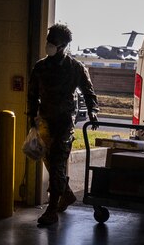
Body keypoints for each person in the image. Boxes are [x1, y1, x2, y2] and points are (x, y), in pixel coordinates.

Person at [24, 23, 97, 228]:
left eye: (53, 41)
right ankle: (66, 194)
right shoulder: (40, 67)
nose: (49, 44)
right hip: (44, 121)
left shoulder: (75, 68)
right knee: (45, 158)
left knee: (57, 162)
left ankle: (52, 209)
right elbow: (32, 94)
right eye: (49, 40)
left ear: (64, 45)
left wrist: (93, 111)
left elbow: (89, 92)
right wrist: (31, 117)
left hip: (65, 123)